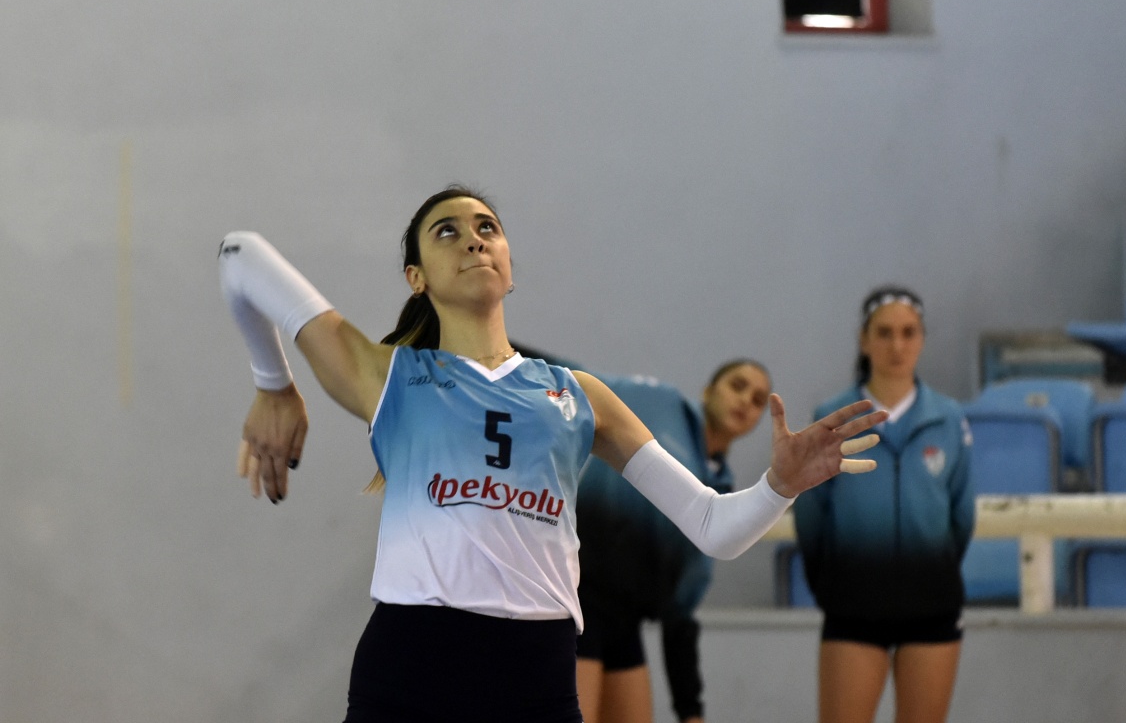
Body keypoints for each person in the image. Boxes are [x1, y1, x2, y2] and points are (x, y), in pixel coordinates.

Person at [220, 185, 886, 723]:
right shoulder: (391, 376)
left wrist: (779, 485)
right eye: (447, 231)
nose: (473, 238)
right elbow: (239, 253)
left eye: (487, 227)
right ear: (415, 277)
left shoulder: (580, 396)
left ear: (509, 267)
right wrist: (272, 384)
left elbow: (715, 528)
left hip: (535, 678)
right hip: (412, 666)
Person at [793, 286, 974, 723]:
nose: (897, 346)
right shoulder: (832, 418)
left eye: (909, 333)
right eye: (885, 333)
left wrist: (930, 568)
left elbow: (962, 516)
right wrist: (836, 585)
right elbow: (811, 517)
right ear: (864, 339)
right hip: (853, 607)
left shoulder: (949, 419)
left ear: (922, 339)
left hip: (931, 606)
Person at [575, 360, 774, 723]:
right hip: (574, 603)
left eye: (759, 400)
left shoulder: (722, 495)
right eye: (737, 385)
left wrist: (690, 710)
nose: (746, 400)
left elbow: (680, 612)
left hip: (626, 626)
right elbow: (569, 378)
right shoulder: (655, 400)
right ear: (708, 391)